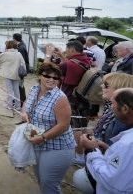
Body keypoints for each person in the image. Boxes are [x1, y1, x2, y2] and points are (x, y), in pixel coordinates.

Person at [21, 62, 76, 194]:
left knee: (49, 184)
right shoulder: (35, 89)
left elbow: (64, 125)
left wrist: (43, 137)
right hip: (37, 143)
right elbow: (26, 105)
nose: (51, 80)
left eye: (55, 78)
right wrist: (24, 113)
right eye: (47, 76)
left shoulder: (60, 98)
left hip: (57, 147)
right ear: (40, 75)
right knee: (41, 180)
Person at [74, 88, 133, 193]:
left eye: (113, 103)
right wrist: (108, 148)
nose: (111, 107)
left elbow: (110, 179)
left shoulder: (127, 143)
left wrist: (92, 150)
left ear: (125, 109)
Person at [73, 72, 133, 165]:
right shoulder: (110, 108)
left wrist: (94, 146)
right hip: (101, 156)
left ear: (119, 90)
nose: (101, 86)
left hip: (105, 163)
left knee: (78, 177)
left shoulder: (121, 118)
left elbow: (118, 152)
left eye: (106, 85)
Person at [0, 40, 25, 111]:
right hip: (16, 75)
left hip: (7, 74)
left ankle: (10, 105)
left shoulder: (5, 54)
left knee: (9, 91)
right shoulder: (19, 54)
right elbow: (23, 64)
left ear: (8, 46)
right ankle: (18, 106)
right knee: (16, 91)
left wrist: (5, 50)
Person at [13, 33, 29, 105]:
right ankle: (21, 101)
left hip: (21, 71)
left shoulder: (20, 48)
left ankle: (22, 102)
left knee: (20, 86)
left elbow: (20, 61)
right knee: (20, 86)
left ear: (15, 39)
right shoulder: (22, 45)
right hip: (22, 70)